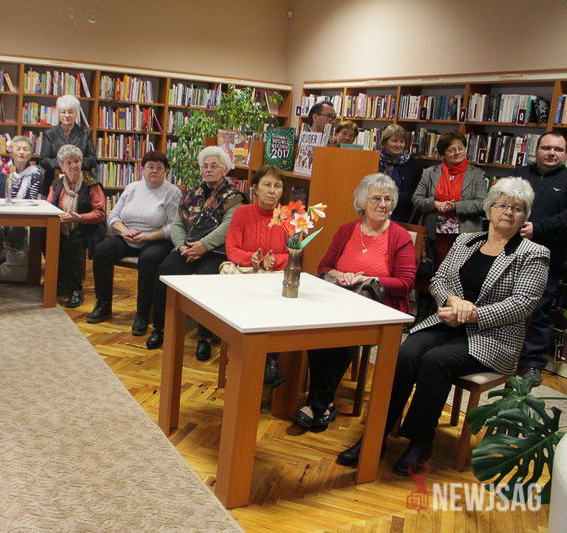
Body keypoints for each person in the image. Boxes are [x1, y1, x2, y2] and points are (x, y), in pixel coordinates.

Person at [336, 178, 549, 475]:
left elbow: (522, 304)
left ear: (524, 216)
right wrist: (452, 300)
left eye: (517, 208)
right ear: (489, 210)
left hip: (492, 338)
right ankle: (375, 435)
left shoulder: (533, 253)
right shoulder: (466, 241)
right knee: (407, 352)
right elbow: (439, 279)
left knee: (436, 361)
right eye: (503, 205)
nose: (509, 212)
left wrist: (471, 314)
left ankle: (420, 442)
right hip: (447, 321)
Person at [292, 173, 416, 430]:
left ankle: (316, 404)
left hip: (376, 306)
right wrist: (340, 274)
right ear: (362, 202)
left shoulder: (400, 236)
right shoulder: (347, 230)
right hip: (338, 299)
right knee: (317, 328)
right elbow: (324, 267)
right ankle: (324, 404)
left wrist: (368, 279)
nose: (383, 204)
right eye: (376, 198)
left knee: (346, 331)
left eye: (388, 199)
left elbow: (406, 283)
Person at [146, 146, 246, 360]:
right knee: (163, 272)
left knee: (207, 279)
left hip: (214, 252)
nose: (208, 170)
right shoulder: (192, 193)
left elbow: (228, 226)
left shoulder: (234, 197)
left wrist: (203, 245)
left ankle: (205, 337)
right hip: (187, 248)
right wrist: (182, 246)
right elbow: (177, 223)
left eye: (214, 166)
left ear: (225, 169)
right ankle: (160, 328)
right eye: (205, 166)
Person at [88, 151, 181, 334]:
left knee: (148, 259)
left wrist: (147, 236)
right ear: (142, 169)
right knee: (101, 251)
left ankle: (142, 315)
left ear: (166, 171)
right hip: (128, 236)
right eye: (150, 167)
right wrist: (125, 231)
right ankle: (103, 305)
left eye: (159, 168)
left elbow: (173, 226)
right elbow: (113, 215)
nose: (154, 171)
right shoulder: (132, 188)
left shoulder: (172, 192)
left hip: (156, 239)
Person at [225, 164, 289, 386]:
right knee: (252, 301)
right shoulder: (242, 213)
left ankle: (270, 359)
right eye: (267, 185)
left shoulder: (287, 217)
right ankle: (252, 358)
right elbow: (232, 249)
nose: (272, 190)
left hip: (273, 276)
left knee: (276, 301)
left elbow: (293, 254)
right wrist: (251, 258)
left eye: (277, 186)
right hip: (246, 274)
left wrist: (275, 260)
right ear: (255, 188)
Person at [515, 131, 567, 386]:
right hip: (512, 249)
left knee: (538, 309)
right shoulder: (520, 174)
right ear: (536, 150)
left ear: (565, 154)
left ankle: (533, 364)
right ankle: (501, 353)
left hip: (549, 255)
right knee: (504, 302)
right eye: (547, 147)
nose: (552, 153)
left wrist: (539, 228)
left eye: (558, 149)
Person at [412, 131, 487, 266]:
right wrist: (435, 204)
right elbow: (416, 199)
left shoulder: (477, 174)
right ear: (443, 153)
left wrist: (455, 206)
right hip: (436, 234)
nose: (457, 153)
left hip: (466, 233)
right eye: (451, 150)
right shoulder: (430, 173)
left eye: (461, 148)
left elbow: (482, 204)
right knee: (439, 270)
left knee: (462, 271)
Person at [46, 144, 106, 308]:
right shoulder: (56, 184)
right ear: (62, 167)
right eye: (69, 162)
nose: (74, 166)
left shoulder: (92, 184)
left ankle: (76, 290)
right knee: (49, 239)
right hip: (62, 226)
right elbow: (49, 207)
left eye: (77, 161)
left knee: (73, 243)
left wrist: (80, 218)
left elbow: (100, 213)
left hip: (87, 228)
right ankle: (57, 283)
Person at [0, 135, 45, 269]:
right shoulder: (1, 170)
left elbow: (32, 199)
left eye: (25, 149)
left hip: (22, 216)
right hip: (0, 214)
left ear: (31, 154)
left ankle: (15, 267)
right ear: (11, 151)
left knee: (18, 229)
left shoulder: (36, 174)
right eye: (18, 149)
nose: (22, 152)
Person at [39, 94, 97, 197]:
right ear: (59, 114)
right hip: (54, 183)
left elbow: (92, 160)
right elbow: (43, 160)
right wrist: (64, 165)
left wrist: (75, 166)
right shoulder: (50, 134)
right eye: (63, 112)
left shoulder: (85, 134)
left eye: (70, 112)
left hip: (80, 184)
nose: (66, 115)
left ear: (76, 114)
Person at [378, 124, 423, 223]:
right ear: (385, 142)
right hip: (374, 212)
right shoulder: (374, 160)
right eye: (394, 141)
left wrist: (389, 199)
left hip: (402, 217)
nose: (398, 145)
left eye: (402, 141)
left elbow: (414, 193)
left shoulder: (414, 165)